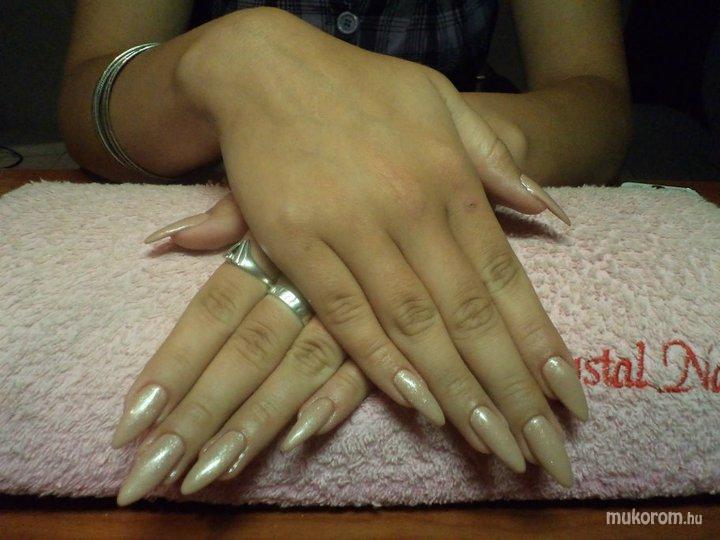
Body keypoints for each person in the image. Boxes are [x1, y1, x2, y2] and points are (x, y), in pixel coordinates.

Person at [58, 1, 632, 506]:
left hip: (437, 182)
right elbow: (85, 102)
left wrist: (461, 143)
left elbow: (597, 97)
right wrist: (226, 59)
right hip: (231, 172)